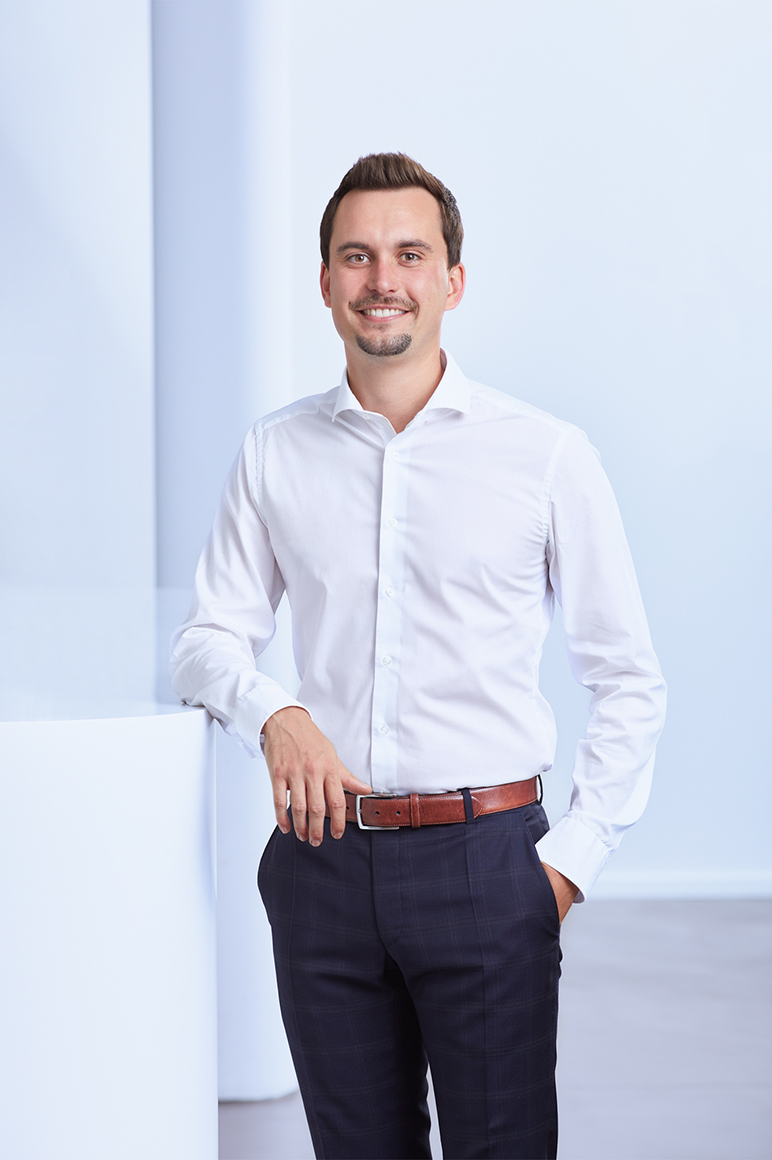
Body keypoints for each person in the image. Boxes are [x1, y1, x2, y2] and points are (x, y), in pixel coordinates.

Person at [170, 152, 666, 1160]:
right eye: (356, 256)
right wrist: (277, 713)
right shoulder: (273, 452)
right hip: (321, 865)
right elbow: (206, 639)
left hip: (487, 864)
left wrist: (565, 867)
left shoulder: (545, 455)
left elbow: (626, 677)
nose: (381, 278)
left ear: (453, 280)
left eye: (408, 253)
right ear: (325, 282)